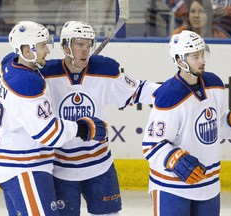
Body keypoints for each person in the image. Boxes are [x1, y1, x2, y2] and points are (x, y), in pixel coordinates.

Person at [34, 21, 160, 216]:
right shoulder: (45, 74)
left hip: (99, 165)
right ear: (65, 46)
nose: (85, 50)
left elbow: (137, 90)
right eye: (79, 44)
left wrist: (171, 93)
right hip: (61, 168)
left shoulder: (104, 70)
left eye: (88, 44)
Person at [0, 21, 107, 215]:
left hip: (9, 160)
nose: (47, 51)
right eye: (42, 46)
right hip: (24, 166)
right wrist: (82, 128)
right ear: (27, 51)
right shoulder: (27, 83)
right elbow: (48, 134)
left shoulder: (9, 62)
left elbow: (10, 111)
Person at [142, 30, 231, 215]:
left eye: (202, 54)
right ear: (179, 60)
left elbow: (219, 126)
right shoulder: (169, 95)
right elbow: (151, 146)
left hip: (208, 185)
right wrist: (175, 160)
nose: (202, 60)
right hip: (171, 188)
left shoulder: (214, 83)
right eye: (195, 56)